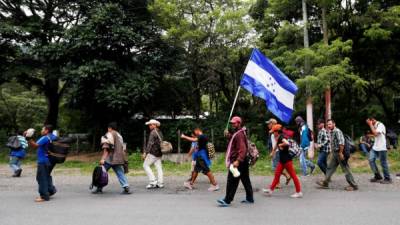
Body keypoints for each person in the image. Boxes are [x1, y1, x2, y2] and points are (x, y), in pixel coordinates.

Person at [217, 116, 253, 207]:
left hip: (238, 161)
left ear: (239, 123)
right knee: (245, 180)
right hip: (243, 161)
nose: (233, 124)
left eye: (234, 123)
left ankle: (227, 200)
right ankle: (250, 198)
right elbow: (234, 141)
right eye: (232, 123)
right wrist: (228, 135)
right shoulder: (239, 132)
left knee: (232, 181)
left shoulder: (239, 134)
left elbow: (243, 149)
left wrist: (238, 160)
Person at [316, 119, 358, 191]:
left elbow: (341, 143)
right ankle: (325, 183)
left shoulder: (337, 131)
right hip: (335, 153)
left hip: (339, 153)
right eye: (328, 124)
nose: (329, 126)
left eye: (330, 124)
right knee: (329, 168)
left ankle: (353, 185)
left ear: (334, 124)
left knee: (346, 169)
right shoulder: (332, 132)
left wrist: (341, 153)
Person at [263, 125, 303, 198]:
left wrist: (281, 145)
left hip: (287, 161)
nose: (273, 133)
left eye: (273, 132)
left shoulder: (282, 137)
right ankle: (270, 190)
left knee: (293, 176)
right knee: (277, 174)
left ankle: (299, 192)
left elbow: (287, 143)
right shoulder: (279, 137)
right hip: (282, 161)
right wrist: (273, 152)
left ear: (277, 132)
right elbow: (276, 145)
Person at [94, 122, 131, 194]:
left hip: (110, 158)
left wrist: (103, 159)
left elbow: (106, 147)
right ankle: (126, 187)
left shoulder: (110, 134)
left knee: (102, 172)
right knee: (120, 172)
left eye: (108, 128)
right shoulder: (119, 135)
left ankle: (99, 188)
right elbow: (124, 147)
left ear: (110, 128)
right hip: (118, 158)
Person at [28, 125, 58, 202]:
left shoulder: (45, 138)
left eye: (42, 129)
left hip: (42, 160)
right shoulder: (53, 137)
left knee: (41, 178)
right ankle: (51, 190)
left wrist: (28, 138)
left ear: (47, 130)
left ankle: (44, 196)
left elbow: (35, 146)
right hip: (49, 160)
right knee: (47, 176)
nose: (41, 130)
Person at [367, 117, 392, 184]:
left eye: (369, 121)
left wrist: (370, 124)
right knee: (371, 160)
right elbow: (375, 135)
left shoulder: (380, 125)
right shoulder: (374, 126)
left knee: (383, 162)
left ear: (373, 120)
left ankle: (388, 178)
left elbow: (376, 133)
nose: (369, 123)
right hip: (375, 147)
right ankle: (377, 176)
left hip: (382, 147)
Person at [266, 119, 291, 187]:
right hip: (277, 151)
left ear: (272, 124)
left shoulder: (275, 133)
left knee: (275, 168)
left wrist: (273, 152)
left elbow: (276, 143)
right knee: (277, 167)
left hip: (277, 152)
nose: (268, 125)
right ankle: (281, 180)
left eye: (269, 123)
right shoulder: (273, 132)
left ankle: (279, 182)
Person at [143, 119, 164, 189]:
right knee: (159, 167)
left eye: (150, 125)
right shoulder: (159, 132)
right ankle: (160, 183)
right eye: (149, 125)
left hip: (153, 153)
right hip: (159, 152)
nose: (149, 126)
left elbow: (150, 143)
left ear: (154, 125)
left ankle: (153, 182)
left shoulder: (153, 132)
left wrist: (145, 153)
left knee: (145, 165)